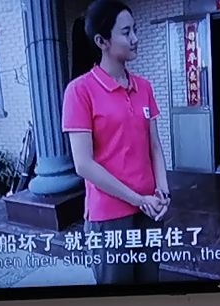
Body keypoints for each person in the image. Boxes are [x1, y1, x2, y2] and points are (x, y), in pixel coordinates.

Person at [63, 1, 169, 286]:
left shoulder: (144, 87)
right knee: (118, 300)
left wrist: (163, 192)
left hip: (149, 210)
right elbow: (84, 165)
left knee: (150, 289)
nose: (135, 38)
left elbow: (154, 146)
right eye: (126, 32)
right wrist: (138, 199)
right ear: (102, 41)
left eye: (135, 30)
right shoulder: (79, 91)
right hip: (109, 218)